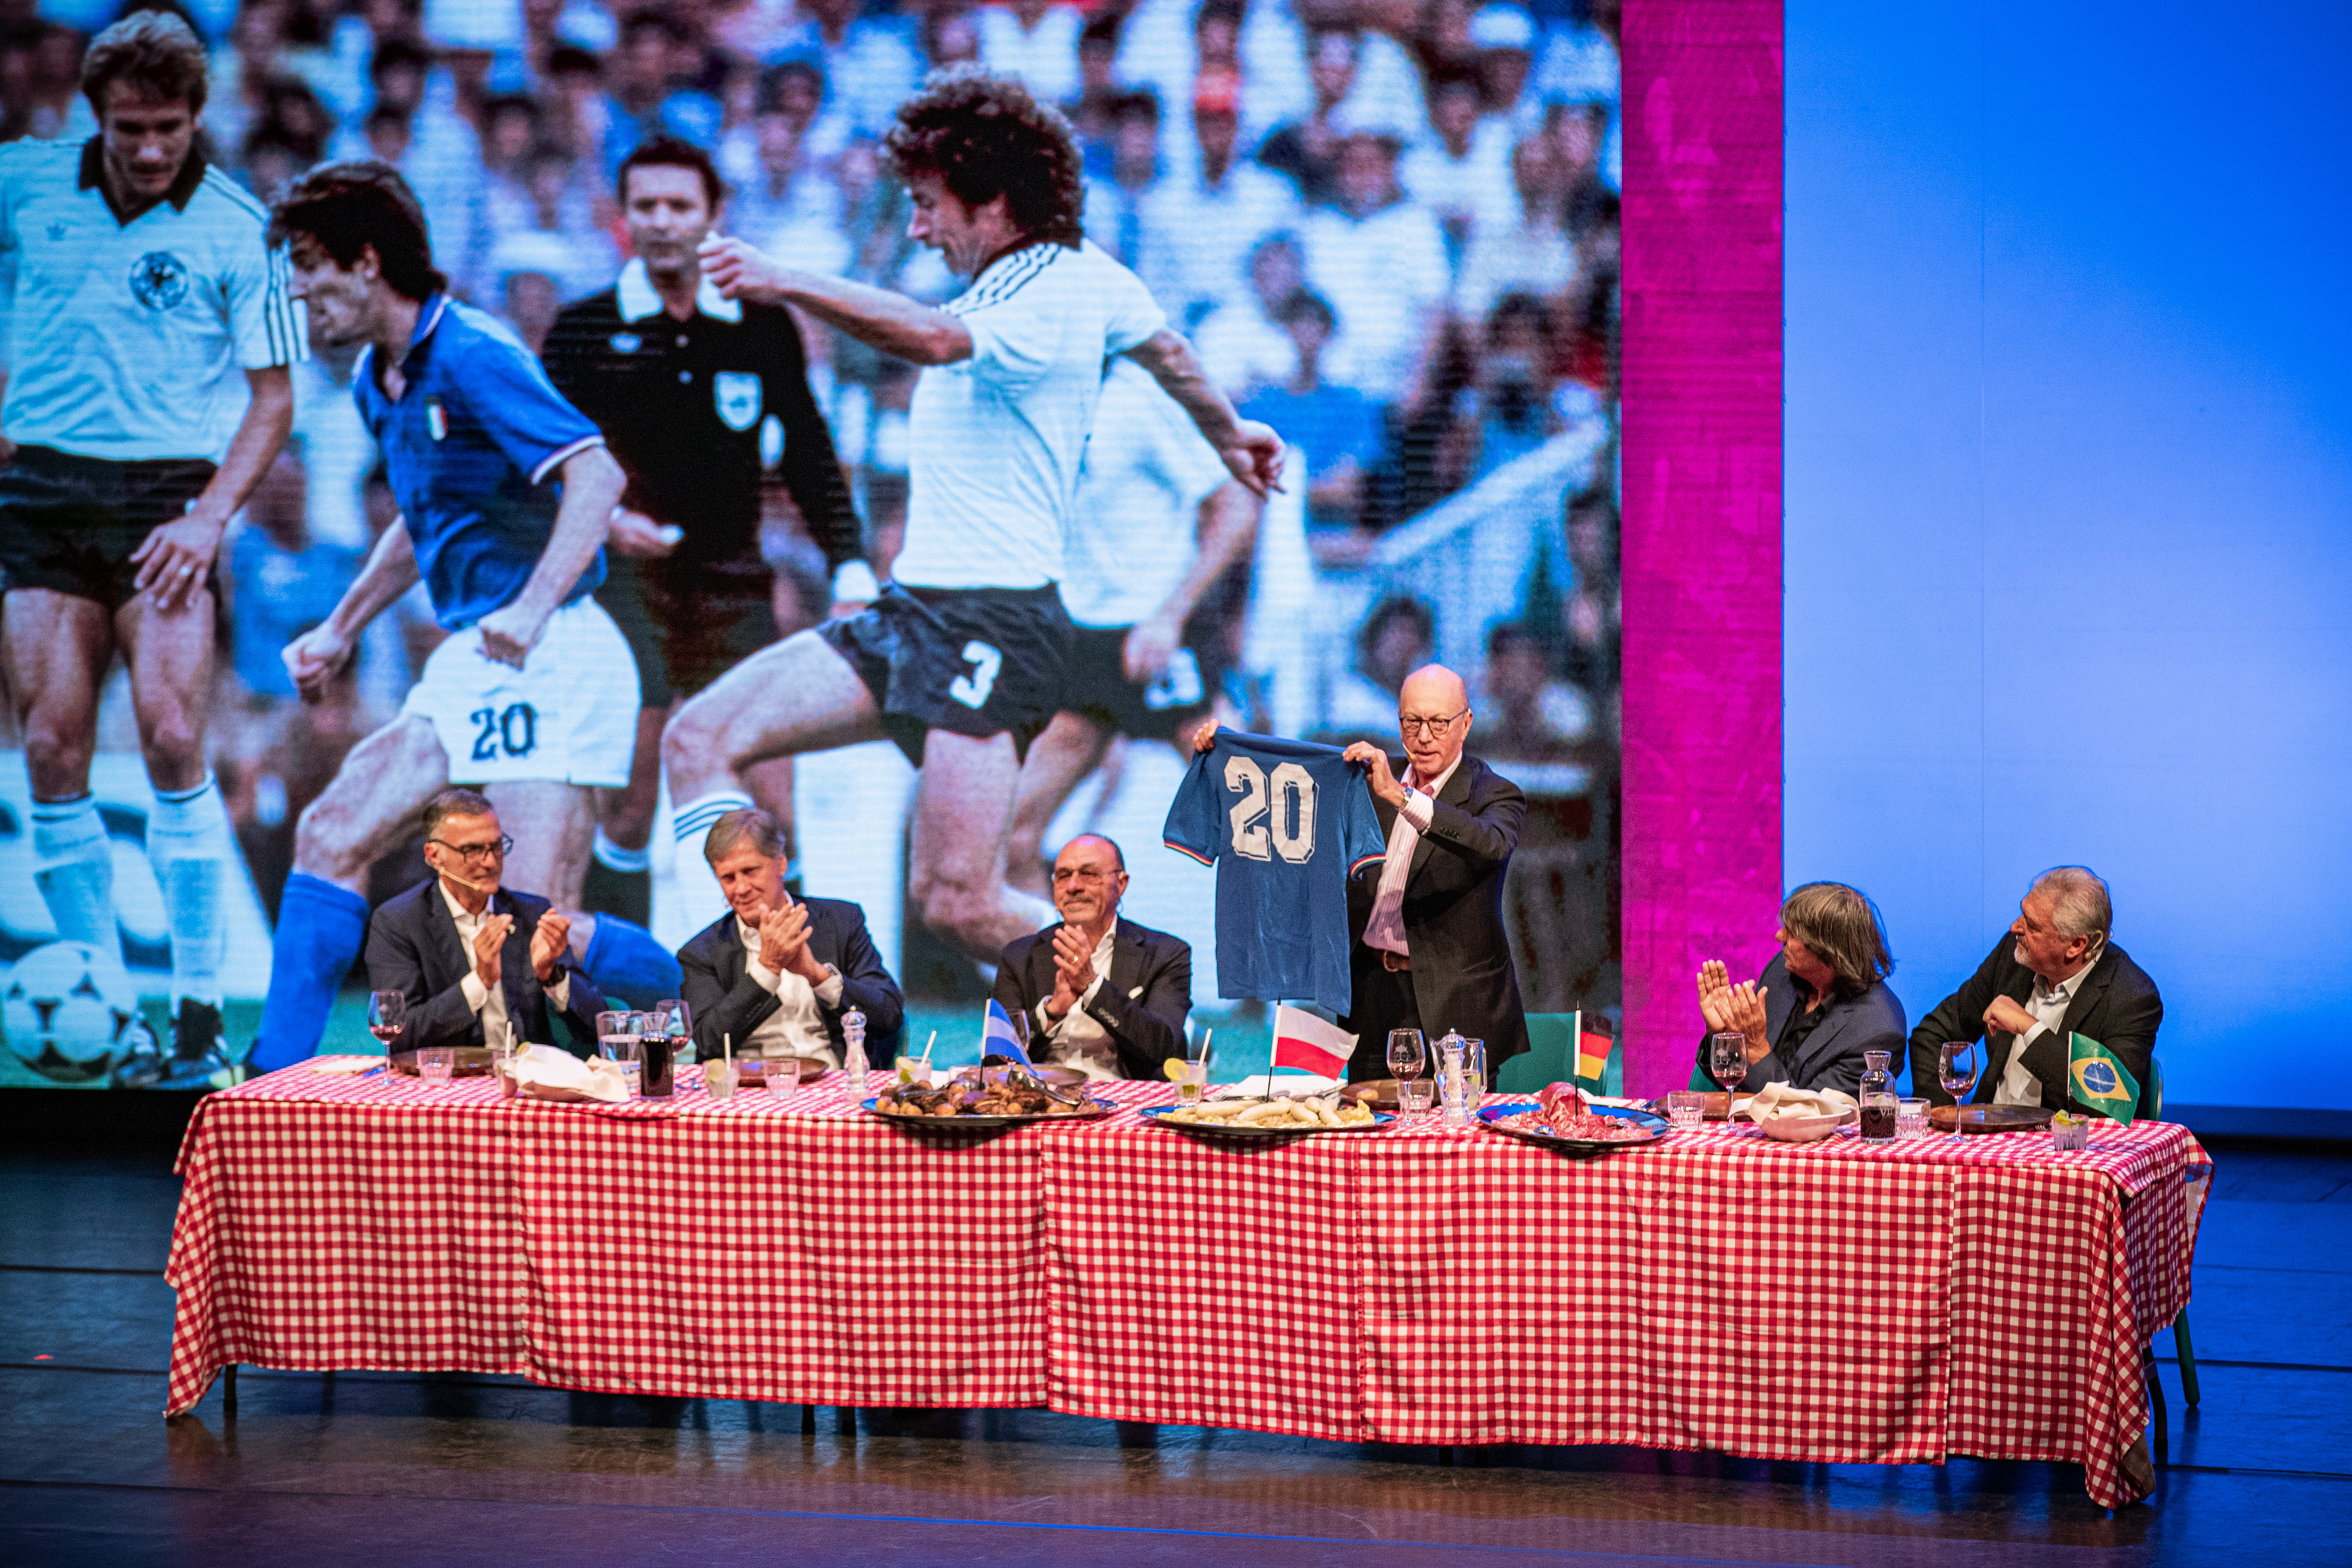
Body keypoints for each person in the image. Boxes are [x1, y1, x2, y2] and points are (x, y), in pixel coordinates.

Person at [663, 68, 1283, 965]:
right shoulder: (1083, 278)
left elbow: (934, 339)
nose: (916, 226)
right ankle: (730, 995)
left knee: (957, 902)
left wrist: (783, 279)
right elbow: (1171, 350)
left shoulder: (1045, 293)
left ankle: (1140, 986)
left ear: (992, 200)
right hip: (914, 611)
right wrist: (1231, 431)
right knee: (699, 736)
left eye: (927, 203)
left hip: (993, 625)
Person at [252, 161, 678, 1072]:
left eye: (308, 265)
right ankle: (269, 1080)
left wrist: (529, 607)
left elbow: (595, 475)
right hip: (474, 656)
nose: (297, 287)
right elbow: (424, 515)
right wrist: (342, 625)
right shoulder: (380, 376)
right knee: (331, 832)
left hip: (553, 649)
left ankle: (696, 996)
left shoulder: (474, 351)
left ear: (367, 263)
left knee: (526, 935)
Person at [0, 11, 302, 1088]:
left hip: (165, 501)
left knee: (175, 735)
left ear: (195, 118)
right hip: (37, 491)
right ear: (96, 114)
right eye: (129, 125)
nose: (147, 147)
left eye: (168, 126)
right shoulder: (24, 183)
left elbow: (275, 397)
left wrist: (213, 512)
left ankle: (196, 1015)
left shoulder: (237, 224)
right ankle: (111, 1006)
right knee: (49, 749)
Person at [539, 136, 866, 927]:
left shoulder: (760, 327)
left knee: (766, 800)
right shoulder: (583, 329)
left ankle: (806, 991)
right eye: (645, 206)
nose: (662, 222)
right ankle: (620, 1003)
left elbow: (810, 456)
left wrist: (852, 566)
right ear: (622, 217)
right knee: (627, 807)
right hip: (624, 594)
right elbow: (536, 464)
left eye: (680, 206)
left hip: (733, 587)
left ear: (715, 216)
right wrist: (607, 523)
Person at [1005, 357, 1258, 894]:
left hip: (1162, 636)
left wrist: (1171, 615)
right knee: (1010, 845)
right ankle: (1077, 975)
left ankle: (1334, 964)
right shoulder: (1028, 400)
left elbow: (1236, 503)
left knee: (1259, 836)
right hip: (1082, 641)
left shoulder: (1139, 398)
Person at [1228, 663, 1526, 1080]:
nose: (1424, 737)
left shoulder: (1493, 793)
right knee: (1367, 1135)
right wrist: (1222, 747)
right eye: (1412, 721)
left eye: (1439, 723)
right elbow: (1288, 795)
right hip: (1371, 995)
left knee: (1453, 1138)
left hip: (1453, 1004)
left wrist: (1403, 797)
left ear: (1466, 723)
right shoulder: (1366, 788)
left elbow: (1489, 844)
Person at [363, 789, 607, 1055]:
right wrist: (480, 981)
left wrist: (552, 975)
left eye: (496, 846)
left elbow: (597, 1029)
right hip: (448, 1085)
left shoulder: (532, 913)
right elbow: (400, 1035)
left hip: (528, 1080)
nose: (491, 862)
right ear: (434, 856)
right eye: (472, 850)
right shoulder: (398, 922)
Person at [1908, 866, 2164, 1114]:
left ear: (2076, 945)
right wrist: (1943, 1117)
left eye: (2032, 925)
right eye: (2022, 914)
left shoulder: (2132, 997)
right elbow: (1933, 1034)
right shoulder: (2014, 957)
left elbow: (2107, 1101)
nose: (2015, 928)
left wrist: (2030, 1028)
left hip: (2062, 1150)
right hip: (1986, 1143)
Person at [676, 807, 904, 1070]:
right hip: (747, 1091)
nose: (740, 889)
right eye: (728, 878)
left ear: (781, 864)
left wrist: (819, 976)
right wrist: (767, 970)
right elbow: (709, 1041)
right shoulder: (701, 952)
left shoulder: (841, 922)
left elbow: (889, 1014)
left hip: (834, 1081)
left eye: (750, 871)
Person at [992, 834, 1191, 1081]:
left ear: (1121, 884)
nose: (1074, 886)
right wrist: (1052, 1012)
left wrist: (1092, 987)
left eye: (1089, 875)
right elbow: (995, 1058)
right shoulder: (1019, 956)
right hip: (1042, 1098)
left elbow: (1163, 1049)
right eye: (1064, 876)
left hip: (1127, 1101)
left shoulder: (1166, 954)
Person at [1693, 882, 1906, 1096]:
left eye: (1793, 933)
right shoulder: (1782, 973)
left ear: (1828, 951)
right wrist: (1723, 1036)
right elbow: (1733, 1085)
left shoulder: (1877, 1034)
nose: (1780, 937)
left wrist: (1757, 1049)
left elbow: (1813, 1113)